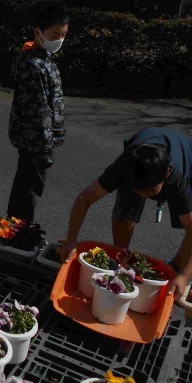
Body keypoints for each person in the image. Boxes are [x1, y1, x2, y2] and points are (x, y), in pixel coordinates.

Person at [61, 127, 192, 299]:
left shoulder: (178, 178)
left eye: (149, 192)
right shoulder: (126, 167)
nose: (142, 196)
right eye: (138, 191)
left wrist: (184, 275)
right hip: (140, 162)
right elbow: (85, 198)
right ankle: (121, 258)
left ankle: (176, 267)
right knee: (124, 213)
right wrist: (71, 241)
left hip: (186, 158)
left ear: (166, 174)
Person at [6, 1, 68, 223]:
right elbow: (39, 113)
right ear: (38, 32)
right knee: (29, 191)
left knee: (24, 186)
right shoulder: (34, 66)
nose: (59, 41)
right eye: (54, 35)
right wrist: (45, 150)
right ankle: (18, 235)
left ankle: (13, 229)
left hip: (34, 140)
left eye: (62, 35)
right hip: (36, 142)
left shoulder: (39, 58)